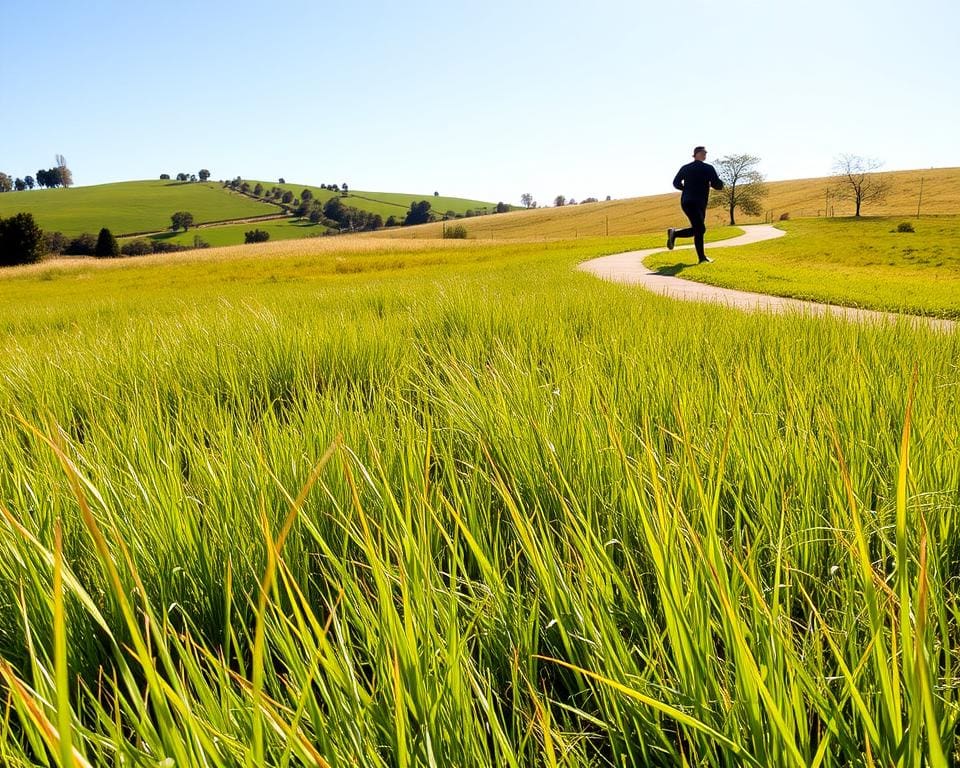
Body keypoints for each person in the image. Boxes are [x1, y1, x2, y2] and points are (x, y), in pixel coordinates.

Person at [667, 146, 723, 263]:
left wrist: (686, 189)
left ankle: (675, 234)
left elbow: (676, 183)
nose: (704, 155)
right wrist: (718, 182)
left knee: (698, 229)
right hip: (696, 202)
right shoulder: (708, 168)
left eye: (705, 153)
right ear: (696, 154)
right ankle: (701, 258)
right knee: (700, 229)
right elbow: (718, 185)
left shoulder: (686, 168)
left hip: (688, 201)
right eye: (702, 153)